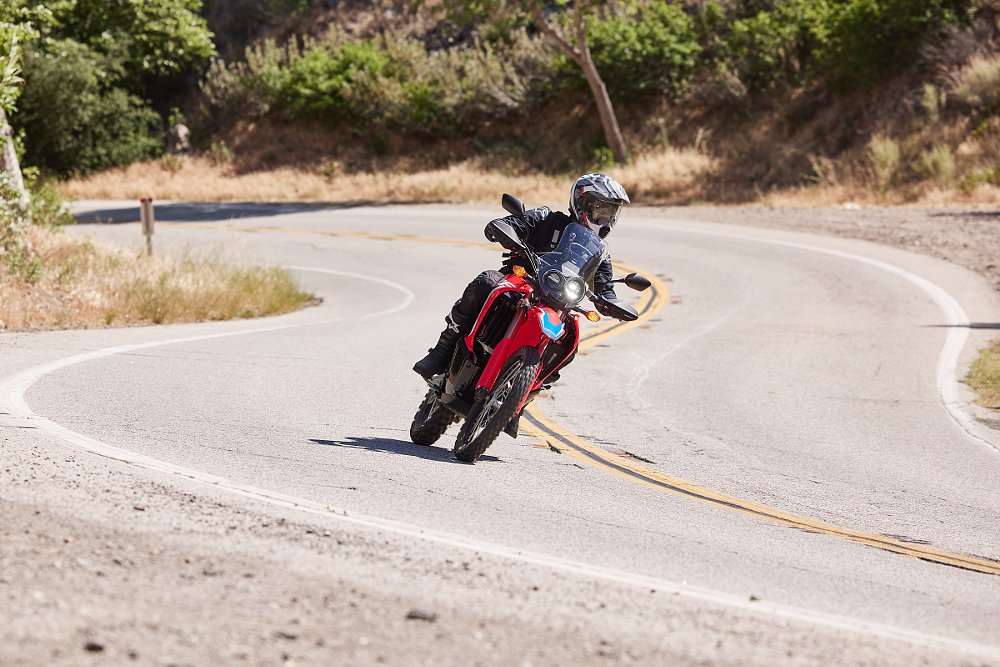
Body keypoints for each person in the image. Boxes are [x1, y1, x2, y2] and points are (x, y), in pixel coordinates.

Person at [413, 172, 630, 380]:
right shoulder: (547, 219)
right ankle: (441, 350)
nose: (607, 218)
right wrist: (504, 229)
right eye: (602, 209)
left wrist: (610, 301)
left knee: (571, 339)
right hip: (521, 280)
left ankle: (523, 396)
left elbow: (605, 286)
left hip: (559, 303)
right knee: (486, 281)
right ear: (583, 203)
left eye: (612, 212)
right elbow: (516, 223)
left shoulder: (600, 252)